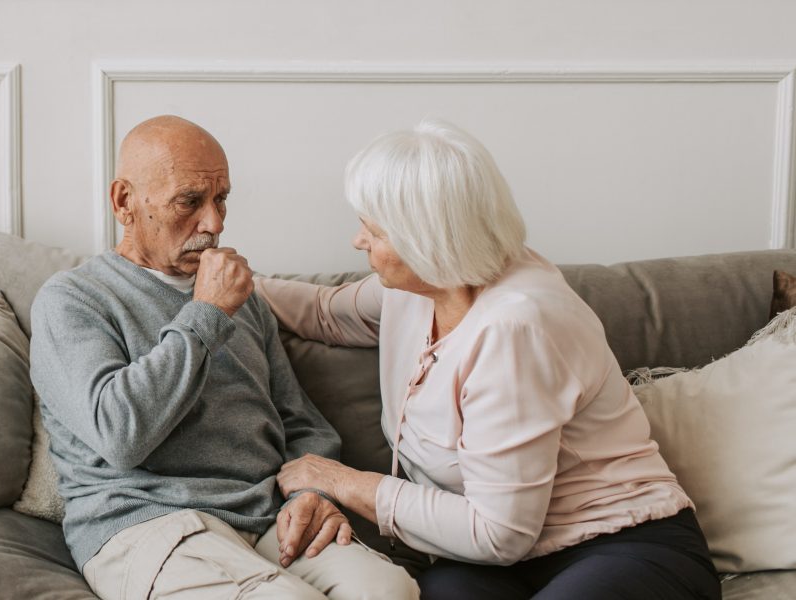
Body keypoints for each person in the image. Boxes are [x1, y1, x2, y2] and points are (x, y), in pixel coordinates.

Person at [255, 119, 722, 599]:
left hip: (619, 543)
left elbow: (499, 534)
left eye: (372, 229)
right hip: (486, 563)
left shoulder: (515, 327)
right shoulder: (421, 288)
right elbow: (323, 313)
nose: (358, 241)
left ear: (424, 238)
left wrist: (340, 480)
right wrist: (218, 281)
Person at [29, 115, 418, 600]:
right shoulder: (74, 299)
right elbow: (120, 435)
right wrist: (207, 312)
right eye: (190, 201)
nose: (213, 223)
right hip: (147, 524)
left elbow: (300, 422)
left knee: (389, 591)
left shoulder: (243, 297)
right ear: (124, 201)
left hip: (266, 514)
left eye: (221, 199)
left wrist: (309, 493)